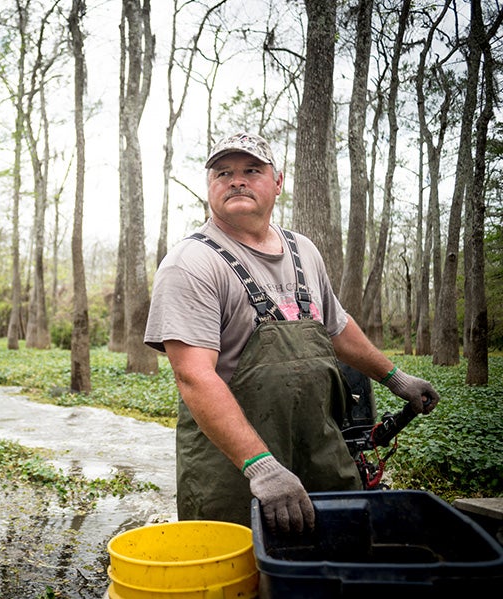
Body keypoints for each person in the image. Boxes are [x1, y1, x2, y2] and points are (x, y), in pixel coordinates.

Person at [144, 131, 439, 533]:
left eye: (252, 170)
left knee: (336, 562)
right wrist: (260, 466)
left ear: (277, 182)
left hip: (320, 452)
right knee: (240, 581)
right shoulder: (191, 263)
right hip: (235, 471)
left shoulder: (304, 250)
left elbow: (336, 327)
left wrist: (394, 377)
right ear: (209, 186)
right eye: (223, 173)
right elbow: (194, 376)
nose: (237, 180)